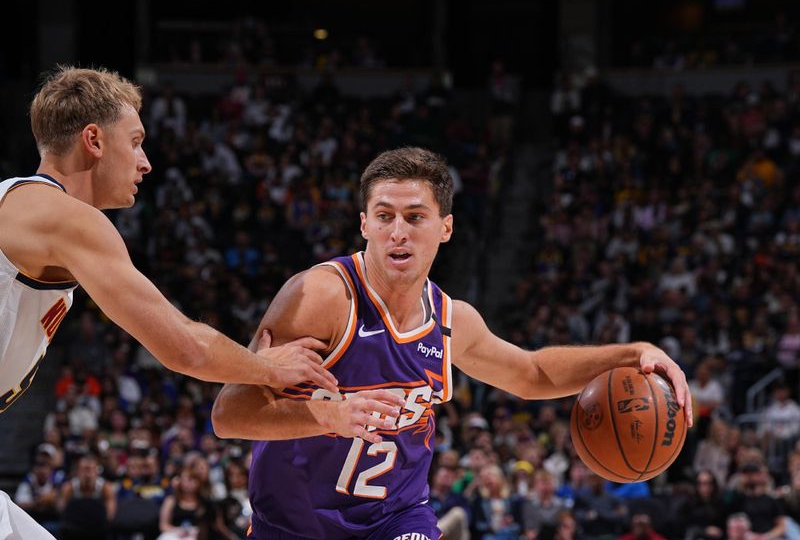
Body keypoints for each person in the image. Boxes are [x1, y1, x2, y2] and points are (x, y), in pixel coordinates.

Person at [212, 147, 693, 539]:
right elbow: (228, 414)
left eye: (415, 217)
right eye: (384, 216)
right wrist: (326, 414)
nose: (397, 231)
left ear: (445, 228)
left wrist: (633, 353)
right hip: (294, 526)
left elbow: (531, 374)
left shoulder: (451, 321)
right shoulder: (321, 296)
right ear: (364, 225)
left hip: (396, 520)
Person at [0, 66, 336, 540]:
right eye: (135, 141)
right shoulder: (64, 217)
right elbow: (185, 348)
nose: (146, 162)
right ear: (93, 140)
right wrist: (271, 370)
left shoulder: (24, 208)